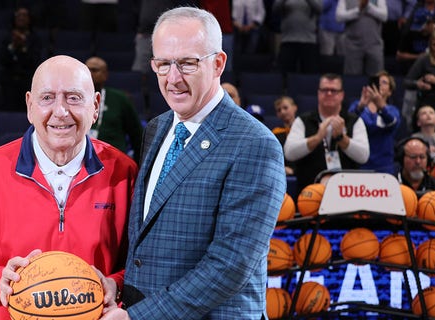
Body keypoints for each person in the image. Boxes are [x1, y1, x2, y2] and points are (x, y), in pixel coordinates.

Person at [101, 7, 286, 319]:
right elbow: (148, 245)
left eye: (187, 63)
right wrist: (118, 286)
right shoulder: (157, 128)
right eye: (163, 64)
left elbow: (229, 266)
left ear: (218, 63)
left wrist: (139, 317)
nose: (173, 79)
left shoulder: (255, 143)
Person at [0, 55, 138, 319]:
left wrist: (115, 284)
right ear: (30, 105)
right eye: (47, 98)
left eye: (74, 97)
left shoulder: (124, 172)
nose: (60, 111)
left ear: (96, 106)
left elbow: (141, 265)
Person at [284, 73, 370, 194]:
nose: (328, 93)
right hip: (309, 193)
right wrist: (317, 138)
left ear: (341, 95)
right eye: (324, 90)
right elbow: (289, 153)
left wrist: (342, 139)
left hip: (347, 194)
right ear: (318, 93)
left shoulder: (354, 120)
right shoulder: (303, 120)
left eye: (333, 90)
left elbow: (363, 156)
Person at [85, 56, 143, 163]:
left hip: (114, 163)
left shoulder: (119, 98)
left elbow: (137, 136)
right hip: (83, 162)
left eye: (94, 70)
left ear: (105, 75)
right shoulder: (75, 98)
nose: (89, 73)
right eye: (86, 69)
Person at [348, 70, 401, 174]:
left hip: (384, 165)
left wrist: (382, 107)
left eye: (384, 82)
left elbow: (392, 124)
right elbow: (348, 125)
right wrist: (361, 106)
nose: (380, 84)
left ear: (390, 91)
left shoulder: (392, 110)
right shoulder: (357, 105)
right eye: (378, 81)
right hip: (360, 163)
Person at [0, 14, 41, 111]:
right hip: (9, 83)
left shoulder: (34, 39)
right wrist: (13, 46)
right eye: (18, 16)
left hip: (27, 81)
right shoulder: (7, 38)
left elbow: (35, 61)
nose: (21, 18)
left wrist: (23, 47)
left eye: (24, 15)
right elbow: (2, 59)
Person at [336, 0, 388, 76]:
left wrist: (367, 6)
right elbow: (339, 17)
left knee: (376, 78)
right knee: (352, 79)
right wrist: (358, 9)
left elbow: (384, 16)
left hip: (374, 45)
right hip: (352, 46)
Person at [404, 29, 435, 130]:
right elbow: (407, 81)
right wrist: (418, 84)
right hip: (427, 103)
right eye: (433, 45)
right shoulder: (424, 60)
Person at [272, 0, 322, 74]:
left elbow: (320, 9)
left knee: (310, 73)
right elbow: (275, 9)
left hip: (308, 40)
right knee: (284, 73)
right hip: (288, 40)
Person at [272, 95, 298, 175]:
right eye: (279, 110)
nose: (282, 112)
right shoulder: (276, 132)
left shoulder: (304, 129)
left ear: (295, 108)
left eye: (285, 108)